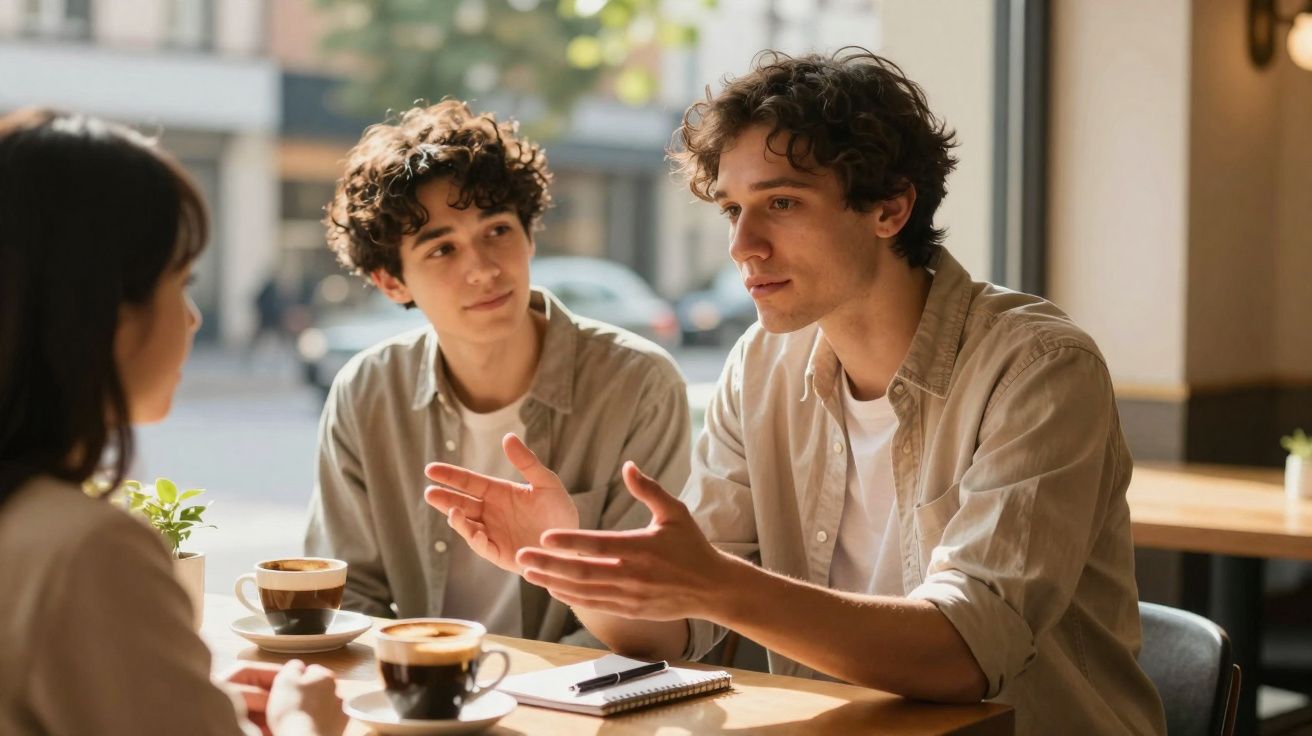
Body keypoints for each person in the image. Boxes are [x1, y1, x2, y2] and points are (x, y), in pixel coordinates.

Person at [424, 50, 1168, 734]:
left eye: (780, 203)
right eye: (731, 209)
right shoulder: (761, 364)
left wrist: (717, 585)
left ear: (890, 208)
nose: (741, 246)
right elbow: (680, 628)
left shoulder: (1039, 366)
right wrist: (565, 564)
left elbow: (967, 654)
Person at [0, 108, 347, 736]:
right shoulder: (88, 551)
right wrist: (304, 720)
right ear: (104, 310)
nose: (193, 318)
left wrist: (178, 695)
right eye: (181, 280)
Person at [304, 100, 690, 645]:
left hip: (576, 692)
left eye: (498, 230)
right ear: (392, 282)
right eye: (442, 249)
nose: (483, 268)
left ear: (529, 238)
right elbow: (348, 595)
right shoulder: (366, 390)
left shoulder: (638, 384)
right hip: (422, 685)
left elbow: (657, 623)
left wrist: (559, 573)